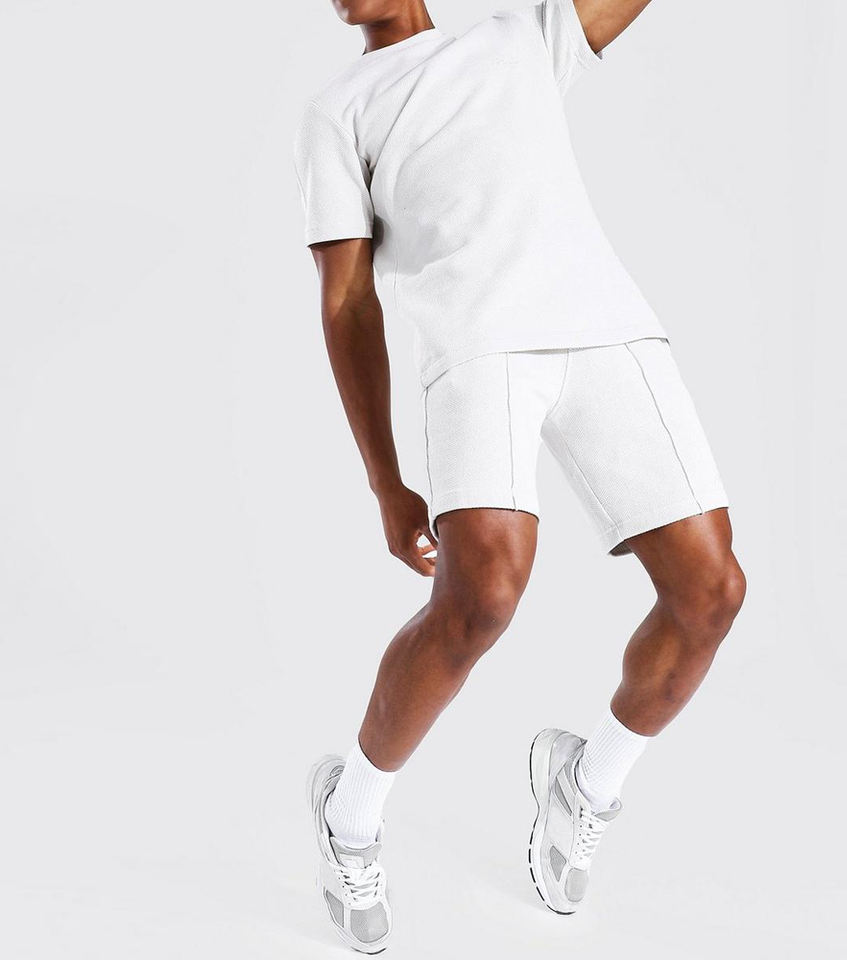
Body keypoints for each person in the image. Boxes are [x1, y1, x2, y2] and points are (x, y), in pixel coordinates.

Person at [294, 0, 746, 951]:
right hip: (478, 348)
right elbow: (347, 304)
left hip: (610, 333)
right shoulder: (340, 110)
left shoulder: (518, 37)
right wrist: (384, 479)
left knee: (711, 594)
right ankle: (349, 813)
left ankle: (586, 787)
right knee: (480, 602)